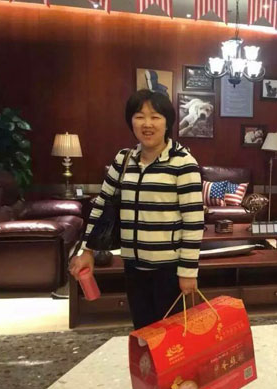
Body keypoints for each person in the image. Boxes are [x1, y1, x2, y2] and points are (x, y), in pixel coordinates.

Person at [69, 89, 204, 329]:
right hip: (132, 266)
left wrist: (188, 271)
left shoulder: (183, 163)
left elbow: (193, 222)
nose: (147, 124)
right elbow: (101, 204)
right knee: (142, 330)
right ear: (131, 121)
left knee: (170, 336)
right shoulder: (123, 160)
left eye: (155, 117)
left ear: (167, 122)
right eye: (140, 116)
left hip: (169, 270)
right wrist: (87, 250)